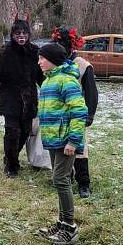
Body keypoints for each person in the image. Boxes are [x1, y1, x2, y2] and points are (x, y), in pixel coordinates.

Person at [36, 43, 88, 245]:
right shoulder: (49, 81)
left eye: (43, 58)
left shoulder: (67, 81)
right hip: (53, 141)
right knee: (58, 181)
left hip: (66, 141)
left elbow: (79, 111)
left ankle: (69, 227)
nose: (39, 62)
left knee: (61, 180)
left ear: (54, 60)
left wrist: (73, 141)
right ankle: (61, 223)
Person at [0, 19, 44, 177]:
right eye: (18, 33)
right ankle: (12, 166)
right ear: (13, 35)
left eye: (24, 33)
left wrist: (53, 91)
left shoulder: (35, 52)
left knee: (25, 132)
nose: (21, 36)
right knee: (12, 132)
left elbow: (42, 76)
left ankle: (10, 157)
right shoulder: (4, 51)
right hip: (10, 99)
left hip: (29, 100)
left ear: (28, 34)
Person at [51, 27, 98, 198]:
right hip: (57, 114)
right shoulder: (54, 64)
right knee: (60, 147)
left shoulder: (83, 66)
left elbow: (91, 92)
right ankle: (64, 178)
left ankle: (83, 183)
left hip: (76, 114)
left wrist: (89, 114)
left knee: (79, 148)